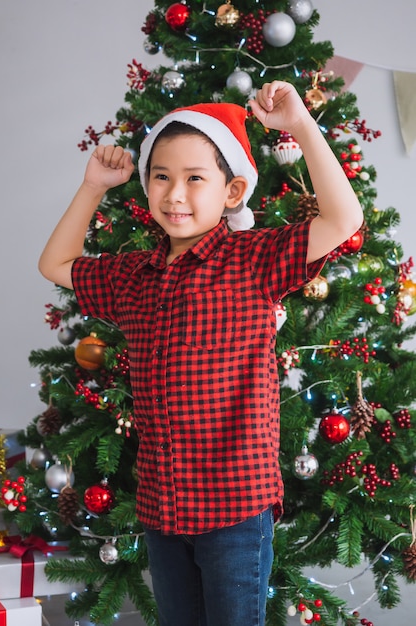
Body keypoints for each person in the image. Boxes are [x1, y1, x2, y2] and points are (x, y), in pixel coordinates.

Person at [39, 81, 363, 626]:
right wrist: (94, 186)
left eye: (195, 179)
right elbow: (56, 264)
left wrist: (302, 126)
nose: (175, 195)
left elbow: (343, 221)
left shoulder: (254, 260)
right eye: (161, 177)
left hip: (235, 507)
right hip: (163, 507)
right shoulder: (132, 276)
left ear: (232, 191)